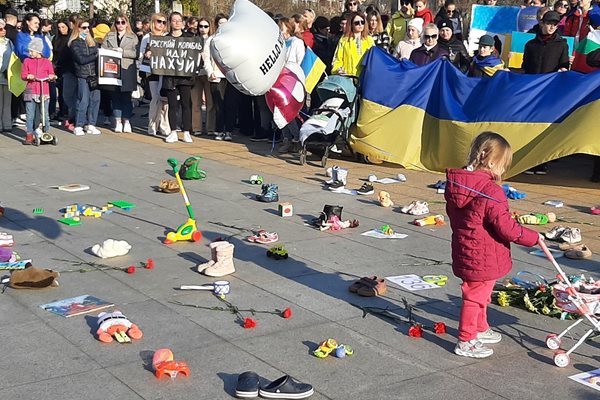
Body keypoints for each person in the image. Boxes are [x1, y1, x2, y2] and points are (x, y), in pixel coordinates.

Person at [445, 131, 541, 358]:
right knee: (475, 296)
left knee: (481, 293)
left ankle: (480, 327)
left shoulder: (458, 185)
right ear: (491, 161)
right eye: (504, 165)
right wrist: (533, 237)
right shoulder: (491, 191)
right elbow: (506, 228)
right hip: (483, 254)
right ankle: (466, 340)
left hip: (468, 250)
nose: (504, 171)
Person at [102, 14, 139, 133]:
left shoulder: (132, 37)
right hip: (112, 69)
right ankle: (118, 121)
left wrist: (123, 52)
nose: (120, 25)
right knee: (115, 96)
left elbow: (136, 53)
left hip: (127, 69)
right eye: (118, 22)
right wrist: (110, 51)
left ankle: (127, 120)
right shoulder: (109, 36)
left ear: (127, 23)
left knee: (126, 97)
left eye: (123, 22)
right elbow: (103, 49)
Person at [163, 12, 194, 144]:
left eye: (179, 20)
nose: (176, 23)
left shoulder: (190, 38)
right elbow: (158, 55)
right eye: (174, 20)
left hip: (185, 76)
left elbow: (196, 53)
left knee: (186, 104)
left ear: (183, 23)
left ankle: (186, 132)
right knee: (172, 105)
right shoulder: (165, 39)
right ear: (170, 23)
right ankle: (173, 132)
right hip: (170, 76)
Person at [277, 17, 305, 153]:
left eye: (281, 26)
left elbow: (300, 62)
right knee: (279, 112)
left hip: (292, 81)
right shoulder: (280, 43)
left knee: (291, 112)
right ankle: (286, 138)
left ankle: (297, 139)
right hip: (279, 81)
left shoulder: (297, 42)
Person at [139, 12, 170, 137]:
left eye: (164, 22)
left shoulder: (168, 36)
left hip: (166, 70)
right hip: (152, 71)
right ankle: (152, 125)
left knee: (165, 100)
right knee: (155, 98)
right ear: (153, 22)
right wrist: (146, 55)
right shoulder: (147, 37)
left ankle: (164, 125)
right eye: (159, 21)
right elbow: (141, 54)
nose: (161, 24)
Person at [69, 18, 101, 136]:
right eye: (84, 27)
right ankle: (78, 125)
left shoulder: (92, 42)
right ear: (78, 28)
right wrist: (96, 55)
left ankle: (91, 124)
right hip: (82, 75)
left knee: (95, 100)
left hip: (94, 75)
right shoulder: (74, 43)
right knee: (83, 100)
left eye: (88, 27)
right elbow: (81, 60)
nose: (87, 30)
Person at [21, 37, 56, 145]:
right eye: (29, 51)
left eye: (32, 51)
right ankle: (29, 134)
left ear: (38, 51)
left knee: (44, 113)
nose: (30, 53)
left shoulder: (47, 62)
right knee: (30, 114)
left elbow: (52, 74)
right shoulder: (27, 61)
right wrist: (28, 76)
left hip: (43, 90)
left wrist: (51, 76)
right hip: (30, 90)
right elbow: (23, 75)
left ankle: (45, 131)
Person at [191, 17, 213, 137]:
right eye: (201, 26)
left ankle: (210, 127)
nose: (203, 29)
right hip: (196, 73)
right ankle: (196, 127)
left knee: (210, 103)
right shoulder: (193, 40)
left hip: (209, 74)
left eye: (205, 26)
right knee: (196, 102)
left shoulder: (213, 40)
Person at [52, 19, 75, 127]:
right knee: (60, 91)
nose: (61, 30)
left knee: (66, 92)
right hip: (57, 67)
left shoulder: (71, 38)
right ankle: (61, 112)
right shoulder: (56, 38)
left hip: (68, 67)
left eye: (63, 27)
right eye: (59, 27)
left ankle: (67, 113)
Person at [0, 18, 13, 133]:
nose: (3, 31)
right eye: (0, 29)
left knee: (7, 101)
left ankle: (7, 123)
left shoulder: (9, 42)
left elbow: (14, 57)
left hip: (7, 75)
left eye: (4, 28)